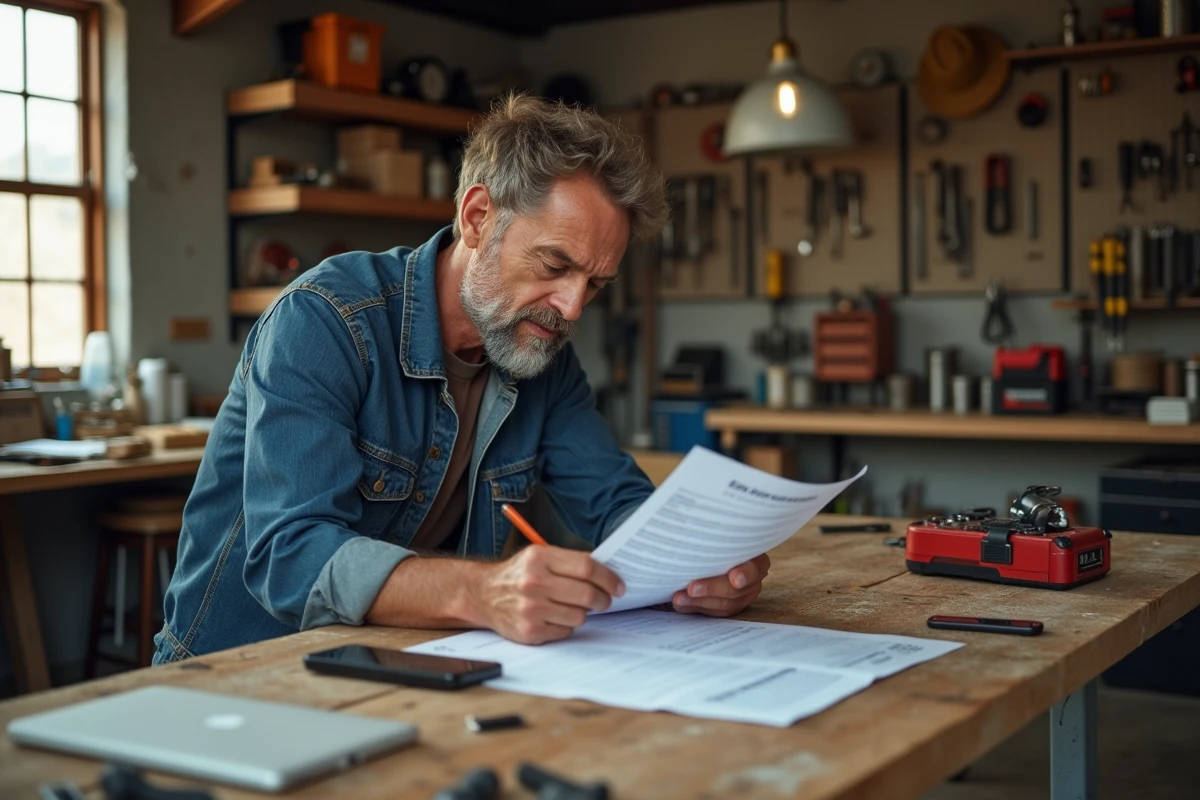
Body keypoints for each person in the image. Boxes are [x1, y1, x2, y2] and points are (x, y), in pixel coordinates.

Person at [153, 95, 771, 664]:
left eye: (596, 283)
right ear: (478, 218)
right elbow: (289, 556)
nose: (574, 306)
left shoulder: (542, 358)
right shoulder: (325, 321)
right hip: (238, 671)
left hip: (391, 667)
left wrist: (699, 565)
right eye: (555, 265)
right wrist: (483, 590)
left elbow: (614, 501)